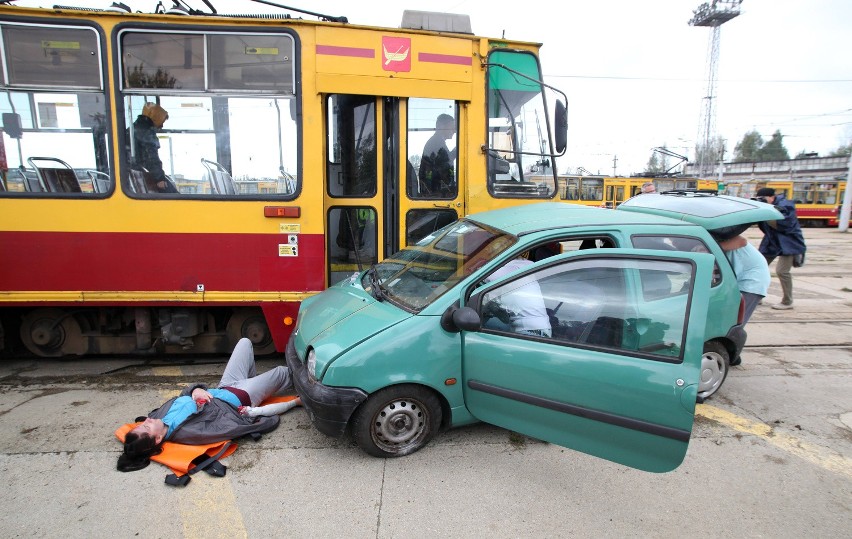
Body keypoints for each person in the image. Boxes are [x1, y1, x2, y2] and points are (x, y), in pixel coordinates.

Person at [117, 338, 300, 472]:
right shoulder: (189, 433)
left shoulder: (159, 415)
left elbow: (183, 395)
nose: (147, 420)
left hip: (225, 385)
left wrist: (196, 389)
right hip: (240, 397)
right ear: (157, 439)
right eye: (146, 427)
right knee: (283, 372)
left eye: (142, 424)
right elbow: (229, 428)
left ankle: (257, 383)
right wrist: (263, 418)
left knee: (245, 342)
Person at [755, 187, 807, 310]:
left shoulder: (785, 205)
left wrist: (766, 213)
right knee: (758, 266)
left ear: (771, 197)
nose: (761, 201)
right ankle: (757, 297)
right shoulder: (766, 206)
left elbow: (785, 225)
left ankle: (787, 301)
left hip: (789, 242)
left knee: (782, 271)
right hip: (772, 241)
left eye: (762, 199)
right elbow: (764, 227)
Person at [483, 256, 552, 337]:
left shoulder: (515, 267)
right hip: (534, 329)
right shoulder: (525, 265)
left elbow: (482, 275)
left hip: (531, 332)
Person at [717, 234, 770, 324]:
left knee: (733, 324)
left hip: (752, 281)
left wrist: (710, 248)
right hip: (741, 280)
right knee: (727, 321)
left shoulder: (725, 234)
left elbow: (742, 241)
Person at [132, 102, 178, 193]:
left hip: (140, 171)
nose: (161, 126)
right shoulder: (146, 131)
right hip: (146, 173)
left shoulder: (136, 128)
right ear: (156, 117)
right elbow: (151, 157)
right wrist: (159, 178)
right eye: (161, 121)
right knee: (176, 197)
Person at [419, 113, 456, 194]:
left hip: (433, 189)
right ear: (441, 126)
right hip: (435, 191)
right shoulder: (436, 142)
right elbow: (445, 164)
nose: (454, 131)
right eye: (451, 127)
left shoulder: (437, 141)